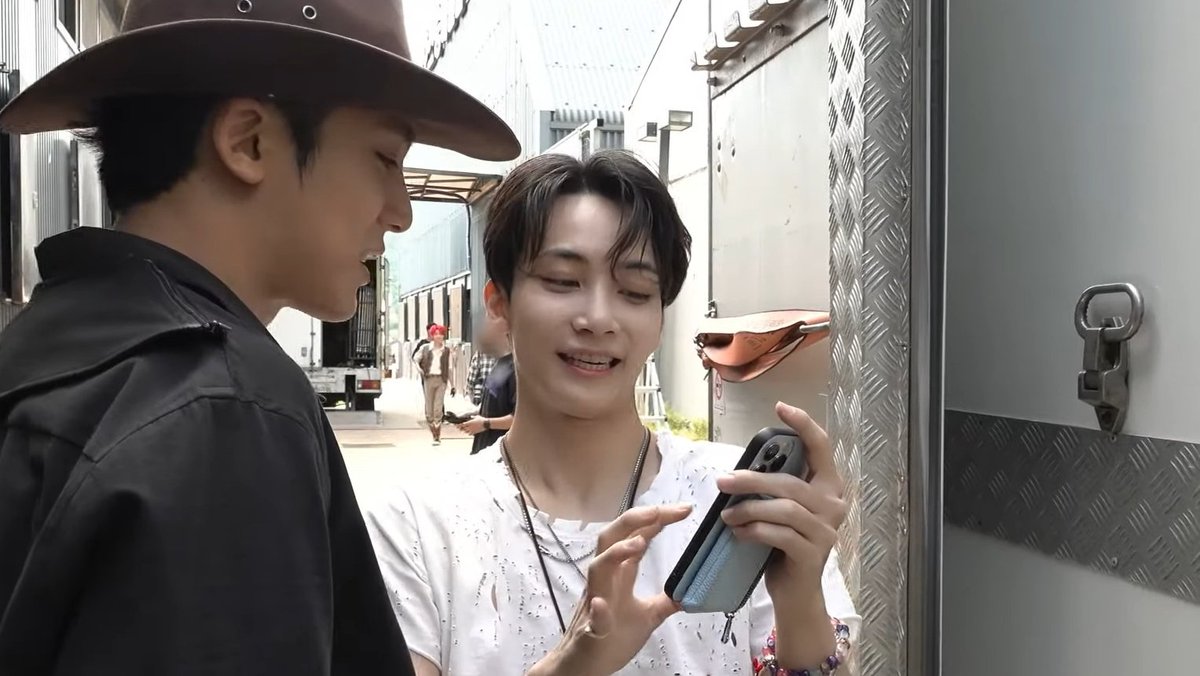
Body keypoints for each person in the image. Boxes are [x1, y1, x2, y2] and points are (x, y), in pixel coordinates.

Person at [0, 1, 519, 673]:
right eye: (385, 157)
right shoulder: (225, 409)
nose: (401, 211)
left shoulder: (42, 355)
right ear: (248, 142)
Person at [363, 150, 858, 676]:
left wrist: (799, 596)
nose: (598, 318)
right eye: (562, 280)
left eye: (635, 292)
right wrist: (570, 666)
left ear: (660, 318)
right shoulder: (414, 529)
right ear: (499, 302)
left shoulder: (738, 499)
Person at [459, 288, 517, 454]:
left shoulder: (517, 369)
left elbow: (519, 419)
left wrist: (485, 424)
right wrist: (476, 415)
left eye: (491, 317)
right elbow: (496, 405)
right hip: (483, 447)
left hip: (501, 453)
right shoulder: (501, 363)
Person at [415, 324, 453, 445]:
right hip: (428, 379)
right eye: (436, 334)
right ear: (432, 335)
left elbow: (450, 368)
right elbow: (416, 359)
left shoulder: (446, 351)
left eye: (441, 334)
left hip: (441, 380)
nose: (439, 336)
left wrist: (452, 385)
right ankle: (433, 431)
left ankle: (437, 436)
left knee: (438, 408)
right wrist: (419, 369)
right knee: (429, 410)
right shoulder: (425, 348)